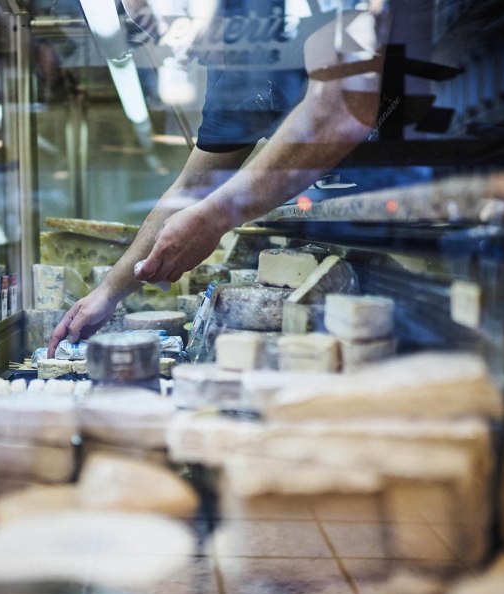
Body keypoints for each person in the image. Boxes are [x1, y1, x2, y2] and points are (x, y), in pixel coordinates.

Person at [49, 1, 391, 355]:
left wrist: (214, 217)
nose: (183, 51)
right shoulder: (233, 65)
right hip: (342, 265)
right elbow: (193, 188)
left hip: (427, 241)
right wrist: (109, 292)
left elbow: (337, 113)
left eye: (178, 25)